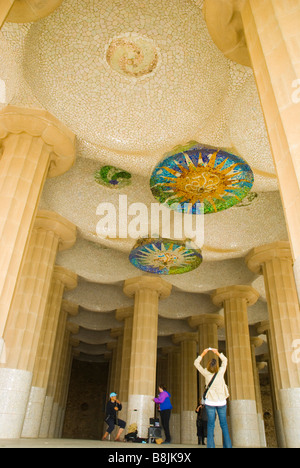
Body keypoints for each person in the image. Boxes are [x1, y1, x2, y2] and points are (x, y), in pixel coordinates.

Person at [194, 348, 232, 448]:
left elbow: (196, 363)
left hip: (210, 402)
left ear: (208, 366)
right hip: (221, 401)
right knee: (224, 425)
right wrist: (217, 353)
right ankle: (228, 446)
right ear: (216, 367)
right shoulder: (220, 373)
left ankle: (211, 447)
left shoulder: (206, 373)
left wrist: (203, 353)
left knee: (210, 425)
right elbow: (225, 360)